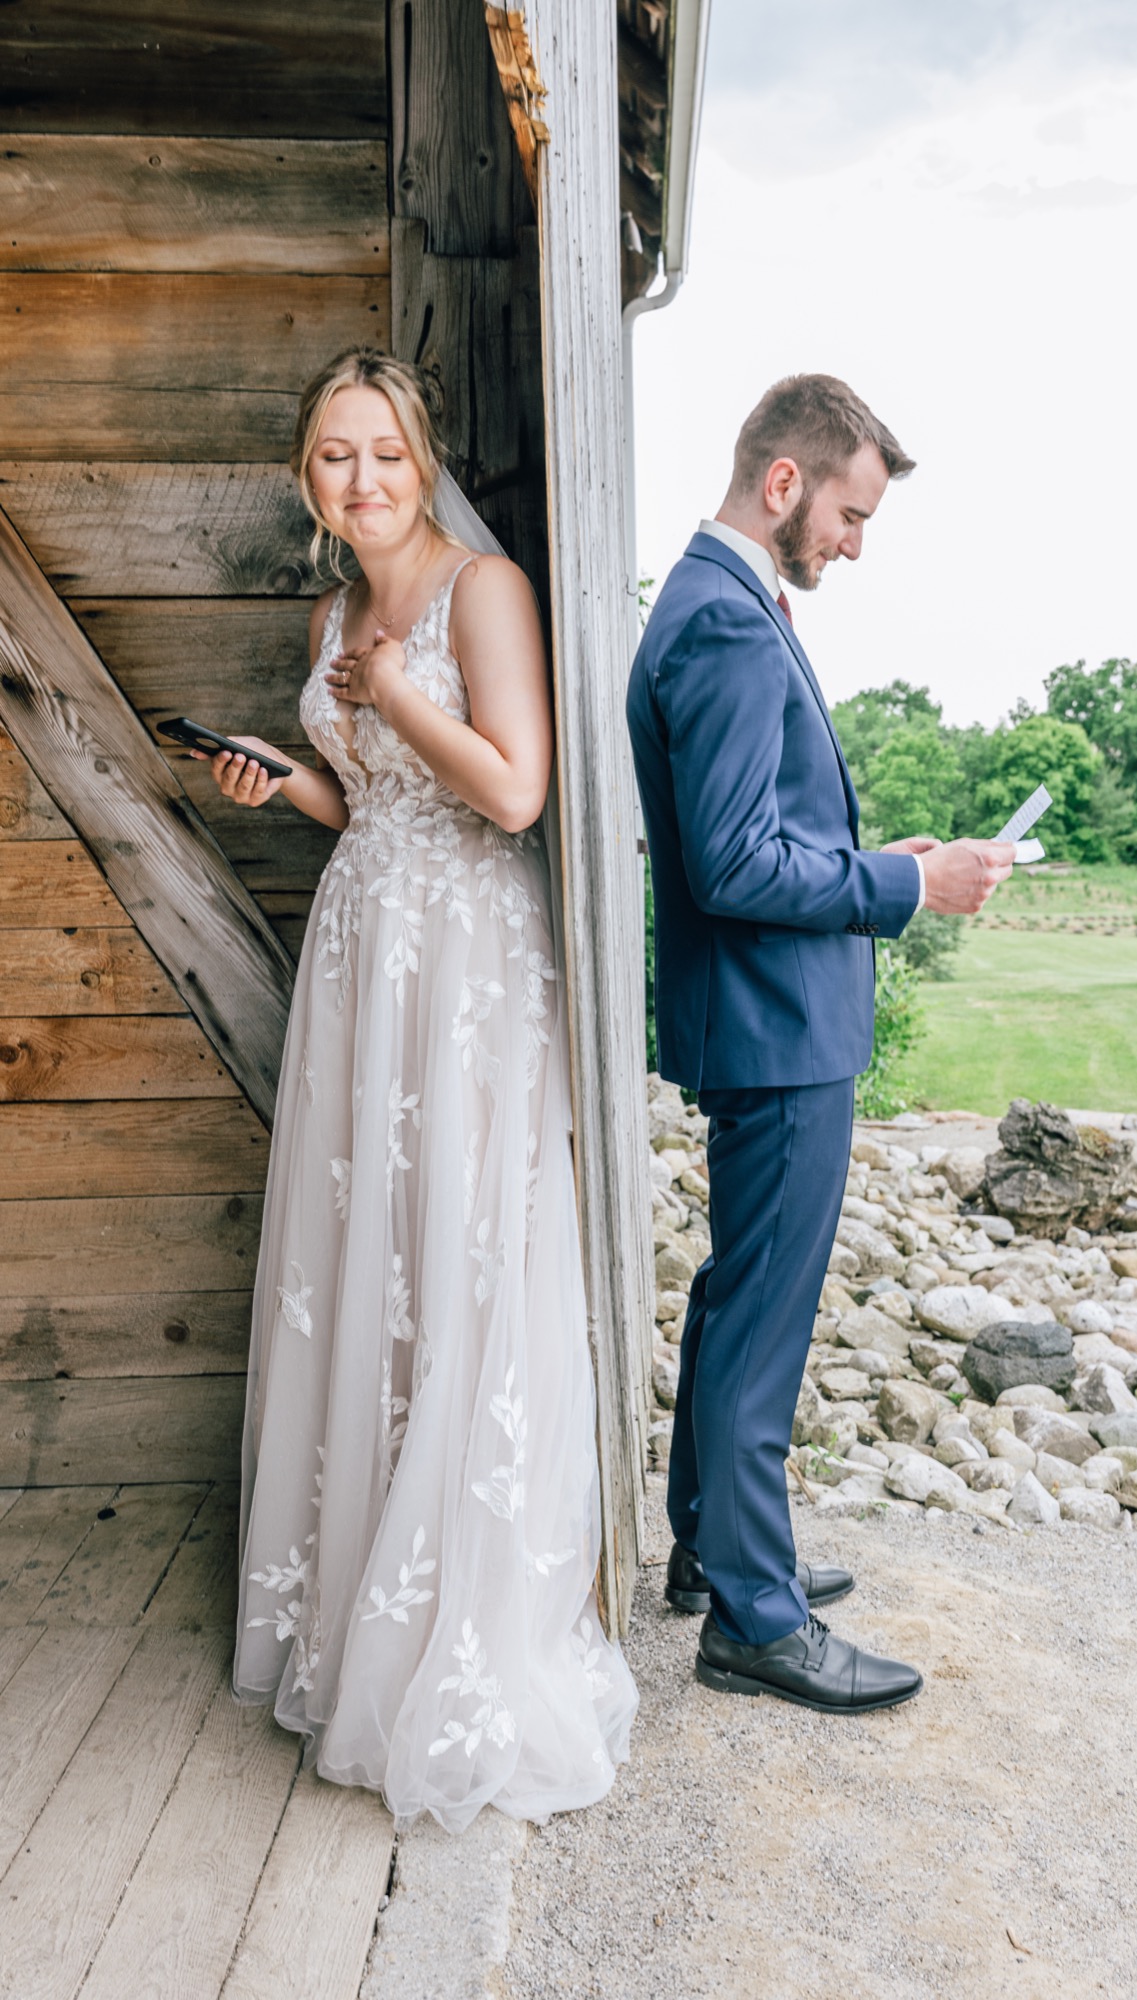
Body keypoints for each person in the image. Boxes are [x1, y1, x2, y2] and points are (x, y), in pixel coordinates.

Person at [215, 346, 635, 1829]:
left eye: (383, 450)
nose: (364, 479)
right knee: (368, 1262)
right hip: (362, 954)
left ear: (420, 452)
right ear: (305, 482)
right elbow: (372, 794)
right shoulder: (336, 608)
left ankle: (458, 1614)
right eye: (335, 457)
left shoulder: (482, 591)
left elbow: (512, 792)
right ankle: (355, 1597)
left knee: (458, 1256)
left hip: (463, 960)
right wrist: (298, 775)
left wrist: (391, 691)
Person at [626, 374, 1014, 1713]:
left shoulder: (709, 600)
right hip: (777, 1028)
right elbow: (733, 864)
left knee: (738, 1293)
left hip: (764, 1019)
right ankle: (753, 1617)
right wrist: (910, 891)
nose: (854, 541)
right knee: (762, 1317)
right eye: (848, 513)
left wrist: (866, 857)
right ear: (782, 484)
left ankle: (708, 1554)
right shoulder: (726, 623)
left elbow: (756, 838)